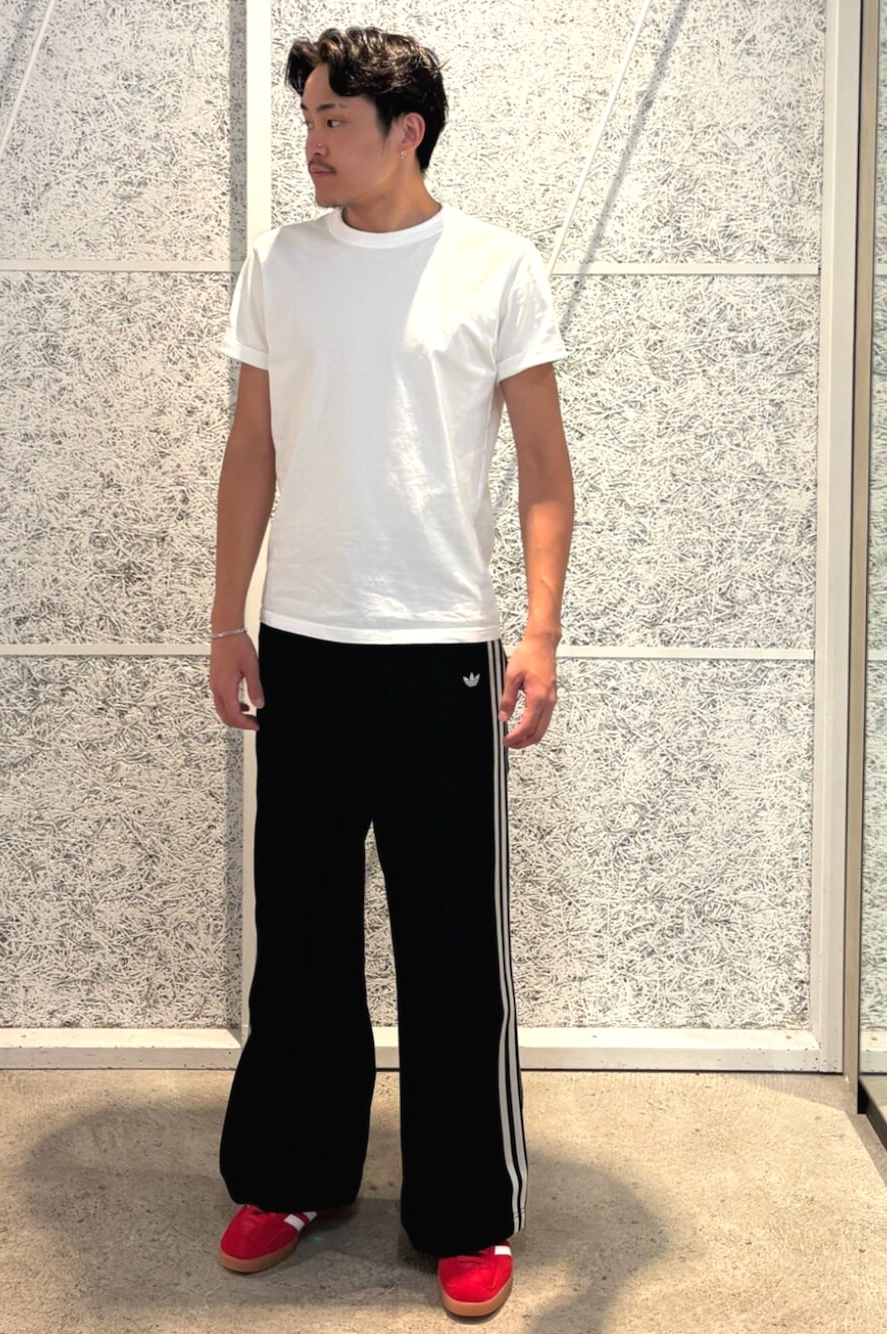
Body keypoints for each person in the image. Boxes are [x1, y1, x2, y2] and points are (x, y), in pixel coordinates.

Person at [209, 26, 573, 1320]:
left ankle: (467, 1210)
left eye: (335, 121)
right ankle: (291, 1175)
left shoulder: (496, 267)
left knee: (452, 943)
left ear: (406, 129)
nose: (312, 143)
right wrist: (228, 620)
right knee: (301, 933)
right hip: (306, 644)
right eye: (308, 118)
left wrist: (539, 632)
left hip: (441, 656)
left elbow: (544, 466)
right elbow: (251, 451)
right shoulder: (282, 266)